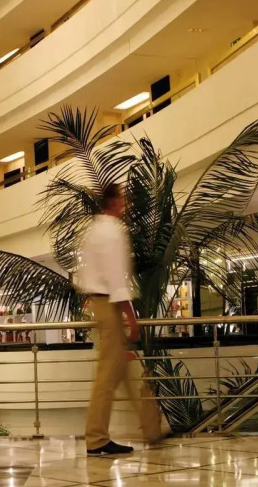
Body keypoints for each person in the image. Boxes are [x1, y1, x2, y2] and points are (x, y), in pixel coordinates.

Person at [76, 183, 152, 456]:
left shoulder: (94, 229)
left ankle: (151, 428)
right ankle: (96, 437)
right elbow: (116, 277)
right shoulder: (112, 231)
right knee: (108, 375)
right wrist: (131, 316)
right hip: (108, 305)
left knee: (119, 369)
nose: (127, 203)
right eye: (124, 198)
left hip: (100, 303)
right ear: (115, 202)